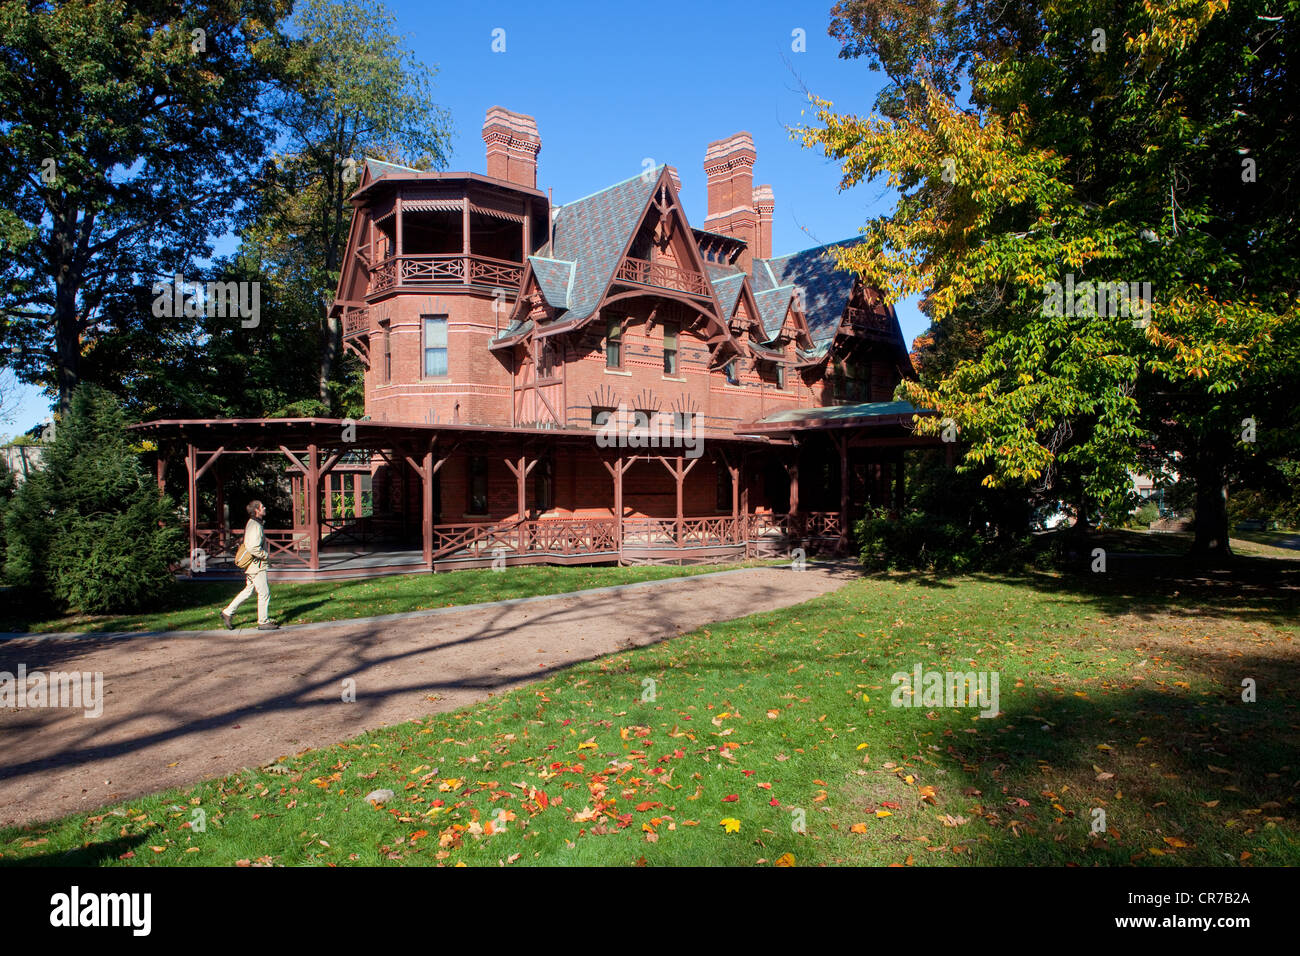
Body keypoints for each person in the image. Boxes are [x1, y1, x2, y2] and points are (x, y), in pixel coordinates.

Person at [221, 500, 279, 631]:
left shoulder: (254, 523)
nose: (265, 508)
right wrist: (265, 555)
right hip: (256, 566)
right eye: (262, 506)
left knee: (249, 591)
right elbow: (253, 547)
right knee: (264, 593)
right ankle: (263, 622)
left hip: (253, 565)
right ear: (257, 510)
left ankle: (227, 612)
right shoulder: (255, 525)